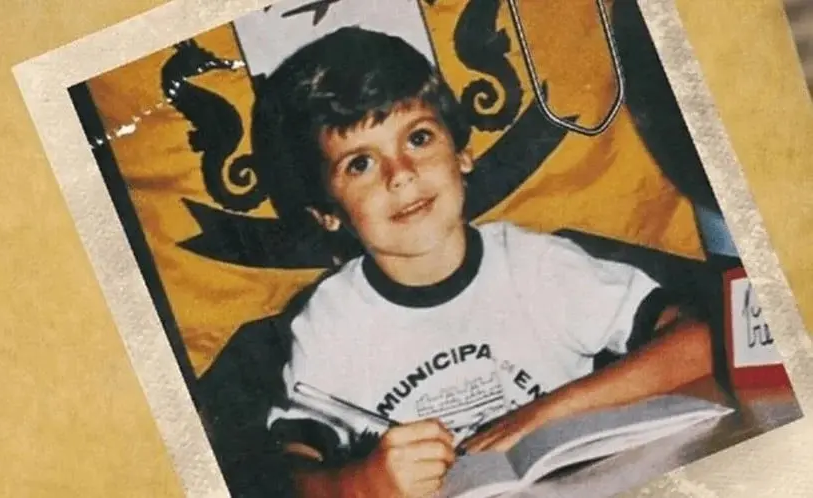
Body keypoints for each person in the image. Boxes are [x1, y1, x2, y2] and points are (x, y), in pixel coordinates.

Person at [248, 26, 713, 498]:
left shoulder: (535, 265)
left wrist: (547, 413)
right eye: (360, 164)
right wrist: (362, 483)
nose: (401, 175)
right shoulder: (331, 320)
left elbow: (700, 341)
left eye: (419, 137)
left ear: (463, 153)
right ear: (327, 214)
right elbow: (288, 475)